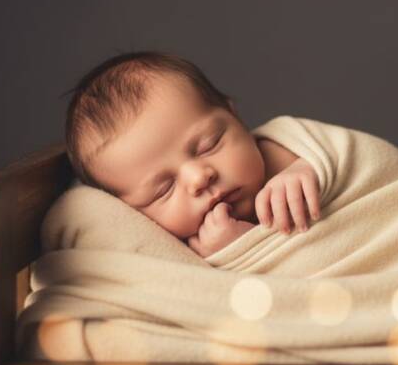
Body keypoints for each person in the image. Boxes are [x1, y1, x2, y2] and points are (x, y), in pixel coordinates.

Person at [63, 51, 322, 257]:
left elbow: (342, 152)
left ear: (234, 116)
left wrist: (308, 166)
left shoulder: (292, 145)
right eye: (164, 189)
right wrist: (236, 252)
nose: (199, 178)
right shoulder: (178, 257)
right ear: (134, 213)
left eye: (209, 145)